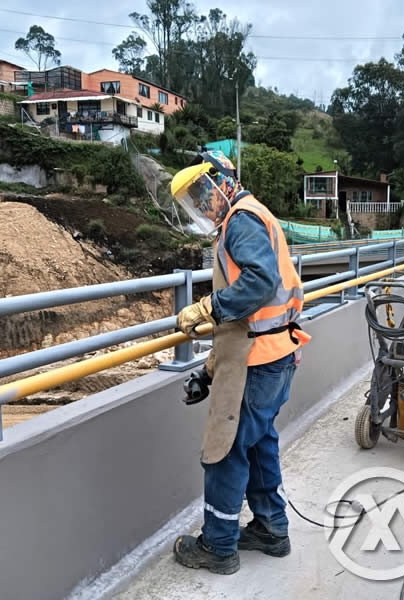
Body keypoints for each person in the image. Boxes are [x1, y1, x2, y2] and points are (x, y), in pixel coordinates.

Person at [170, 150, 311, 575]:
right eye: (193, 200)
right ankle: (271, 530)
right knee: (260, 442)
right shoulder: (250, 215)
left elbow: (259, 281)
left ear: (222, 182)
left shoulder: (241, 221)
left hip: (258, 360)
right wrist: (210, 371)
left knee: (226, 451)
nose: (202, 205)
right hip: (273, 355)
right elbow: (249, 316)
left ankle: (218, 546)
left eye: (202, 194)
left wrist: (207, 308)